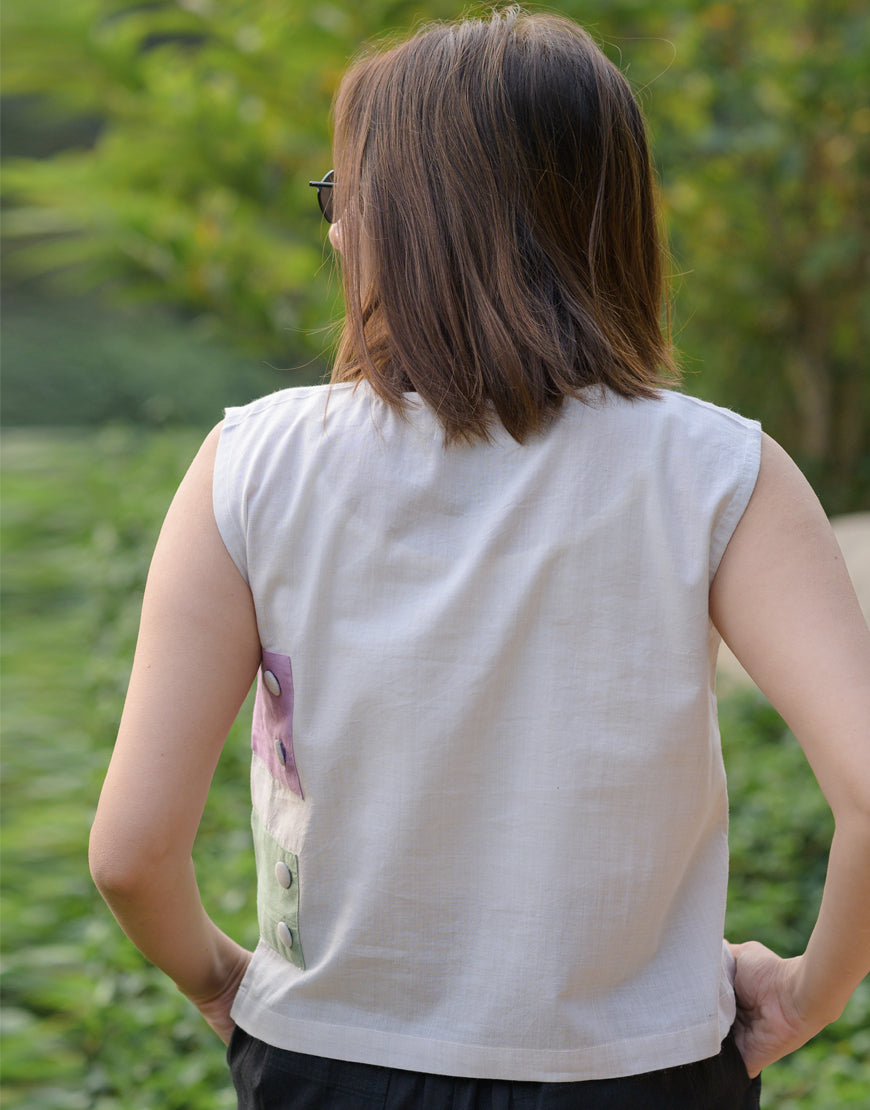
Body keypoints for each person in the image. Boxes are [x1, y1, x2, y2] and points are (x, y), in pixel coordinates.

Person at [89, 8, 870, 1108]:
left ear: (397, 224)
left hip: (327, 1062)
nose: (333, 232)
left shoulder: (249, 464)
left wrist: (226, 986)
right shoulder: (719, 470)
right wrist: (803, 999)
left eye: (342, 198)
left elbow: (130, 853)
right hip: (635, 1072)